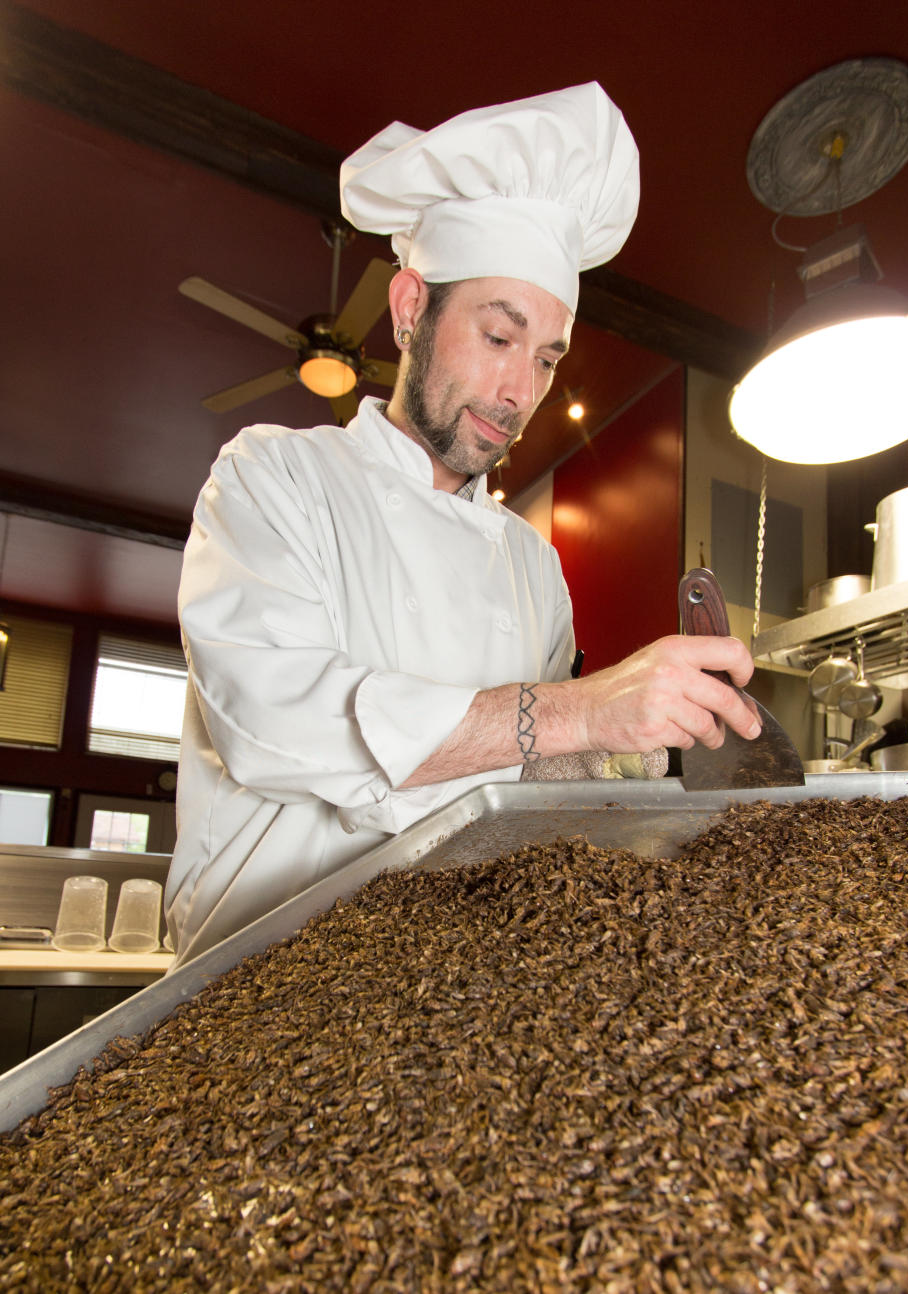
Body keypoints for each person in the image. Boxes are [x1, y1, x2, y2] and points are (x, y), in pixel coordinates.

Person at [165, 84, 760, 965]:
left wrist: (639, 750)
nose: (521, 391)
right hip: (257, 973)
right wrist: (582, 710)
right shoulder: (275, 476)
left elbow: (540, 773)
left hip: (459, 989)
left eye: (547, 357)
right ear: (411, 311)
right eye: (498, 335)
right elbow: (274, 726)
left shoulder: (532, 561)